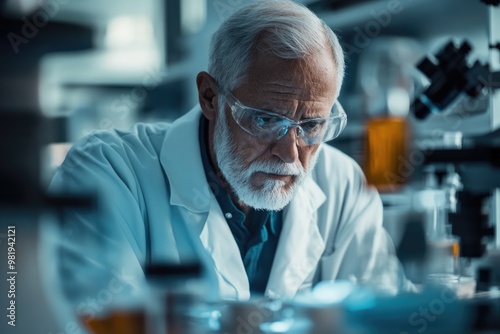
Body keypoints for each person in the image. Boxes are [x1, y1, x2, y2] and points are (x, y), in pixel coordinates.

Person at [49, 0, 413, 308]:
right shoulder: (108, 173)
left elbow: (381, 312)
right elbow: (96, 321)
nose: (290, 153)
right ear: (210, 96)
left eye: (313, 125)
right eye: (266, 119)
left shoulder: (343, 184)